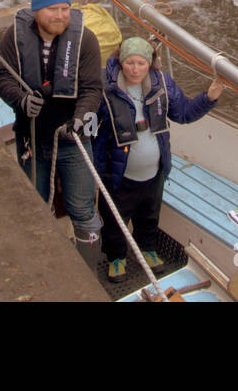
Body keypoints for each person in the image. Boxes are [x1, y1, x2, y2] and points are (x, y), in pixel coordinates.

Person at [92, 36, 225, 281]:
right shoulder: (105, 89)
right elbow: (90, 123)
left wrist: (210, 96)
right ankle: (116, 257)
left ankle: (147, 249)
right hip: (119, 175)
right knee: (114, 219)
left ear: (150, 64)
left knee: (149, 215)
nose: (135, 69)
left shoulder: (163, 84)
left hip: (154, 172)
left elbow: (183, 113)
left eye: (141, 63)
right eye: (130, 63)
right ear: (121, 62)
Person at [0, 0, 105, 252]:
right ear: (36, 10)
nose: (60, 15)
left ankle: (88, 272)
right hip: (31, 138)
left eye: (65, 8)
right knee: (35, 206)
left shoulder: (85, 41)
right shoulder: (14, 37)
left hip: (73, 139)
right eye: (52, 9)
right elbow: (1, 78)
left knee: (83, 209)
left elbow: (92, 89)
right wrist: (19, 100)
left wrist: (80, 120)